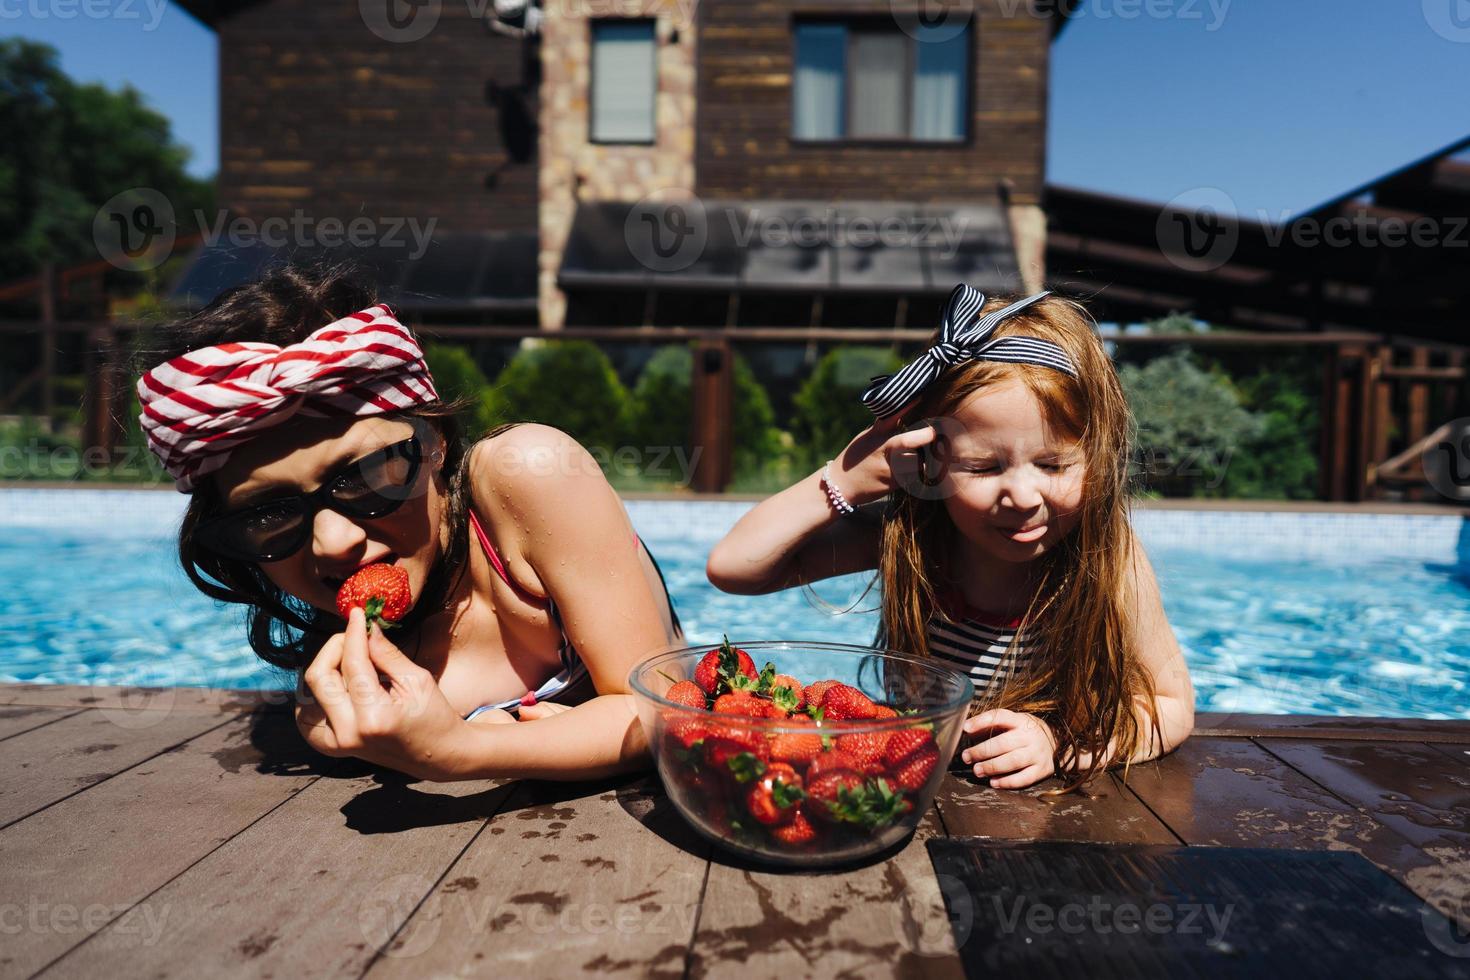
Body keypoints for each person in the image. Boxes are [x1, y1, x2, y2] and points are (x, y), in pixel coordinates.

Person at [133, 266, 681, 782]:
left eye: (366, 478)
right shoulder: (345, 660)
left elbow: (661, 711)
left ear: (435, 441)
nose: (335, 542)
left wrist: (463, 751)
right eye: (269, 516)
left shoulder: (526, 477)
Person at [706, 284, 1194, 791]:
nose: (1023, 496)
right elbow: (735, 567)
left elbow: (1171, 706)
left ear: (1096, 456)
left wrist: (1062, 744)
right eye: (984, 467)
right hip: (917, 795)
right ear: (931, 464)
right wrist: (845, 478)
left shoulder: (1106, 561)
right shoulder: (916, 541)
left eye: (1052, 464)